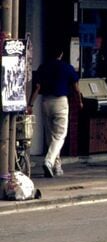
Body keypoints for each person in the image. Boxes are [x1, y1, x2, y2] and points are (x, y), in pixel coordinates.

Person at [28, 47, 82, 178]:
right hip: (60, 101)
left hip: (45, 101)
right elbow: (76, 88)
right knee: (59, 135)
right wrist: (79, 101)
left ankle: (57, 166)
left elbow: (37, 87)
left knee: (50, 135)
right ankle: (49, 161)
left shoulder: (43, 67)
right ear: (61, 53)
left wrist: (30, 104)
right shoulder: (67, 67)